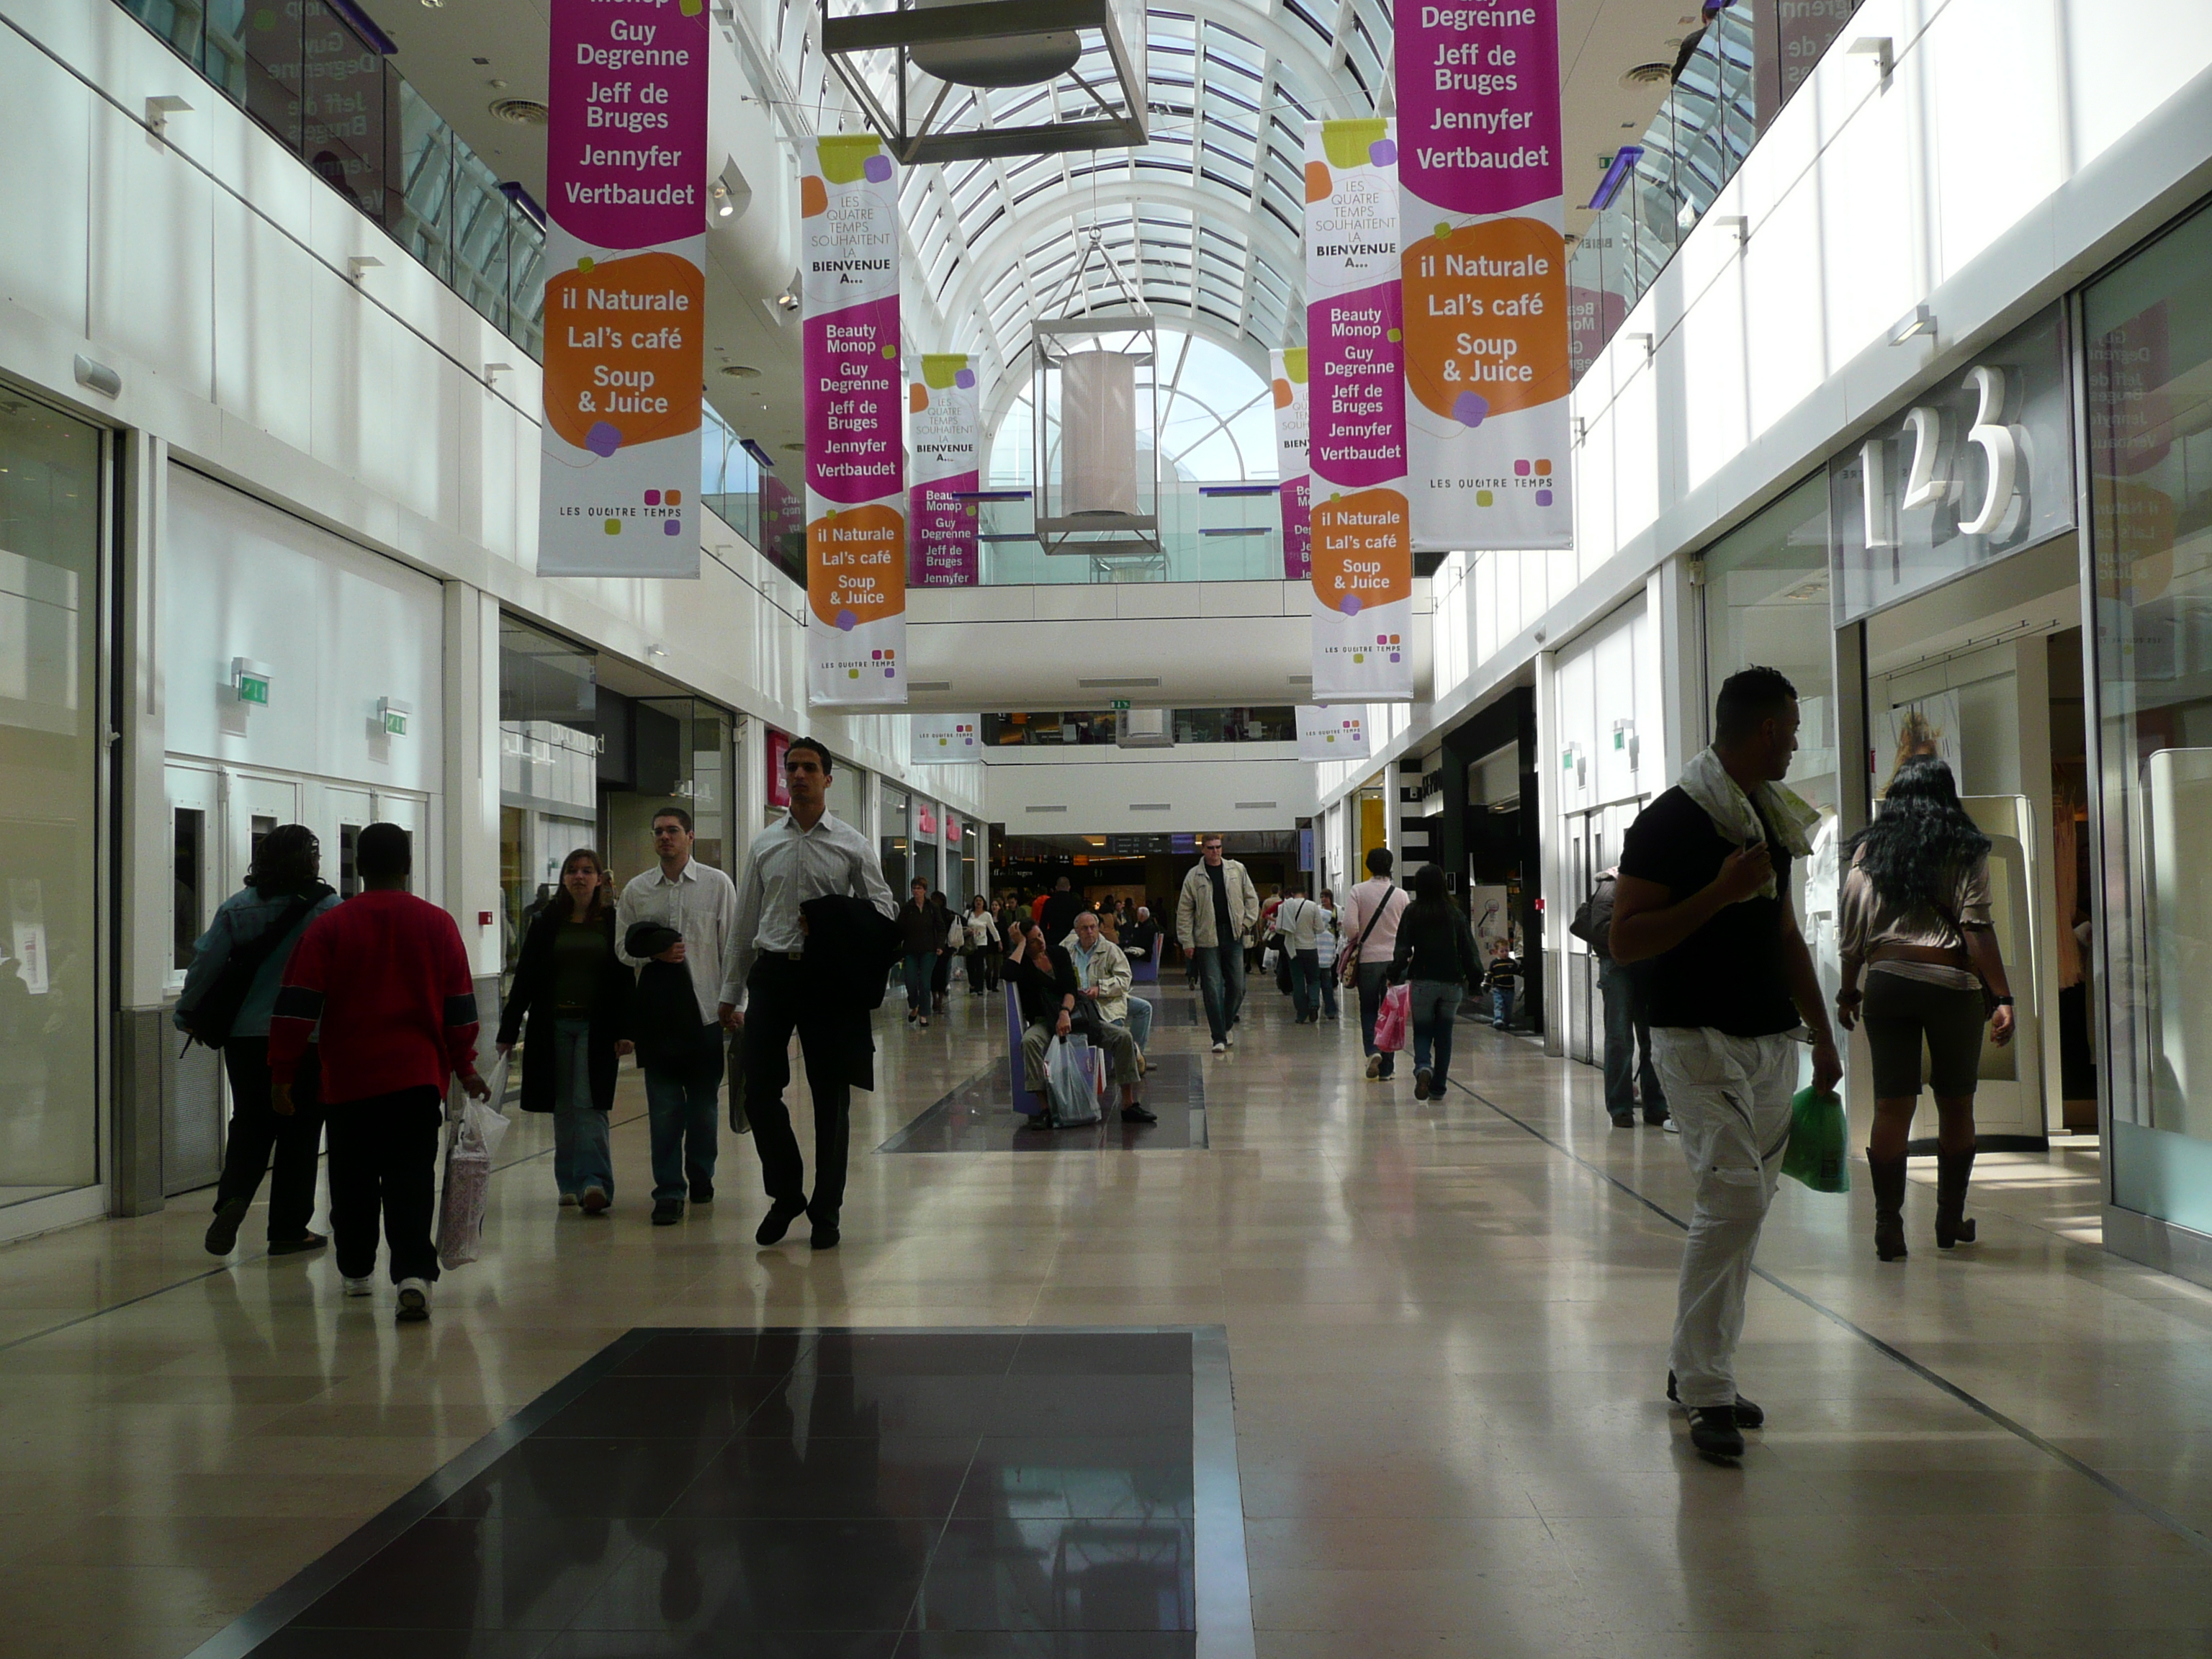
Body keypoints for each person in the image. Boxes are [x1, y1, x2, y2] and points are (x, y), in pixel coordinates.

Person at [1609, 665, 1843, 1462]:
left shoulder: (1770, 820)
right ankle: (1705, 1387)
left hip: (1772, 1040)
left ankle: (1699, 1365)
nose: (1798, 743)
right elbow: (1627, 938)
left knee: (1746, 1213)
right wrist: (1716, 892)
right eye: (1793, 728)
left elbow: (1783, 935)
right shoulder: (1669, 823)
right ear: (1767, 729)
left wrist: (1822, 1033)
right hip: (1690, 1036)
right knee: (1733, 1198)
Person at [268, 824, 488, 1323]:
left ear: (359, 868)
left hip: (349, 1081)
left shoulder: (329, 927)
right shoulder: (438, 924)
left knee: (352, 1179)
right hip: (416, 1081)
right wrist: (465, 1066)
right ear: (408, 864)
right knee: (412, 1177)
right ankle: (413, 1275)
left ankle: (356, 1269)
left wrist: (282, 1073)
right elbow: (459, 1006)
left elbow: (296, 1006)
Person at [720, 737, 897, 1250]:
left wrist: (831, 917)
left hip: (828, 980)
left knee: (830, 1099)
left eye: (809, 768)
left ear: (827, 778)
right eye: (791, 767)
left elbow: (883, 911)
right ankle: (786, 1191)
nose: (798, 775)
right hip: (773, 973)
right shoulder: (764, 844)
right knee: (758, 1091)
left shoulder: (851, 843)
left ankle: (827, 1209)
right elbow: (744, 922)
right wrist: (732, 990)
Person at [1836, 754, 2014, 1262]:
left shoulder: (1869, 851)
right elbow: (1976, 927)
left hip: (1887, 981)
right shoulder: (1965, 847)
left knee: (1892, 1105)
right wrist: (2002, 996)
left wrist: (1850, 990)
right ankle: (1948, 1218)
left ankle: (1888, 1226)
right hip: (1951, 985)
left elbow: (1852, 930)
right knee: (1956, 1102)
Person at [174, 824, 340, 1257]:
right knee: (301, 1132)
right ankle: (288, 1229)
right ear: (309, 861)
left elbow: (206, 964)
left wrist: (187, 1013)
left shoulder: (238, 908)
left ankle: (232, 1199)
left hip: (245, 1038)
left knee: (250, 1122)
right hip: (308, 1036)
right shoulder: (328, 909)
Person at [616, 805, 739, 1226]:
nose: (664, 838)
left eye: (672, 831)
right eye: (658, 832)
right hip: (659, 1019)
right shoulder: (637, 890)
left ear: (690, 836)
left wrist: (736, 1005)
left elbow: (733, 949)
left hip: (704, 1015)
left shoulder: (717, 885)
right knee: (665, 1109)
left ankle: (701, 1174)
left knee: (704, 1109)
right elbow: (620, 948)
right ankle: (668, 1190)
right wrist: (654, 951)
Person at [495, 848, 634, 1215]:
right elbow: (525, 978)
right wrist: (508, 1029)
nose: (579, 877)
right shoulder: (545, 922)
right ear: (563, 880)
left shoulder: (612, 921)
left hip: (597, 1026)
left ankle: (595, 1182)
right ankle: (569, 1184)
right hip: (553, 1025)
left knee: (589, 1103)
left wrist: (626, 1029)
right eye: (572, 871)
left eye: (588, 871)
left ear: (601, 879)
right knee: (563, 1106)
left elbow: (623, 981)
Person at [1006, 919, 1148, 1123]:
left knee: (1123, 1037)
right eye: (1033, 941)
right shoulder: (1023, 965)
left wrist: (1065, 1012)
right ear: (1024, 945)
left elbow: (1071, 988)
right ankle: (1044, 1108)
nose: (1041, 942)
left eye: (1040, 936)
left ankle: (1129, 1104)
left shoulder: (1058, 954)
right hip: (1044, 1021)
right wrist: (1019, 944)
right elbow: (1008, 973)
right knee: (1030, 1042)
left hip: (1074, 1015)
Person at [1573, 866, 1670, 1129]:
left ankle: (1656, 1105)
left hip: (1647, 964)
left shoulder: (1656, 886)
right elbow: (1602, 928)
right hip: (1617, 965)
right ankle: (1621, 1108)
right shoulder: (1611, 886)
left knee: (1653, 1038)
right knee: (1619, 1038)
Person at [1388, 865, 1482, 1101]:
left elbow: (1402, 950)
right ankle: (1439, 1087)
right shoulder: (1455, 913)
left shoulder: (1412, 912)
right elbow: (1469, 950)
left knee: (1422, 1030)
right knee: (1444, 1035)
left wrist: (1393, 973)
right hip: (1451, 982)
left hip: (1422, 979)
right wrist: (1475, 981)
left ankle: (1422, 1068)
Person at [1175, 835, 1262, 1054]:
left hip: (1233, 934)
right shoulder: (1194, 876)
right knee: (1212, 988)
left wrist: (1246, 923)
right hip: (1206, 938)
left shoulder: (1236, 870)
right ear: (1203, 850)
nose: (1216, 851)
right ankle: (1219, 1037)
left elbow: (1251, 898)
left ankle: (1226, 1024)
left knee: (1238, 986)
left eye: (1219, 847)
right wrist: (1187, 940)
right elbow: (1185, 911)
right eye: (1211, 848)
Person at [1340, 848, 1408, 1080]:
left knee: (1369, 1009)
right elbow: (1407, 931)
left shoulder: (1358, 891)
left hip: (1368, 960)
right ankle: (1387, 1069)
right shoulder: (1401, 895)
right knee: (1390, 1014)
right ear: (1390, 866)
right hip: (1394, 962)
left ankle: (1372, 1051)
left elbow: (1350, 927)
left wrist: (1360, 938)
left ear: (1368, 866)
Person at [1064, 908, 1154, 1071]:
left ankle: (1134, 1055)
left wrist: (1100, 989)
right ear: (1077, 931)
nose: (1090, 932)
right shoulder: (1067, 950)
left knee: (1144, 1009)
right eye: (1085, 928)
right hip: (1078, 1002)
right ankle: (1130, 1055)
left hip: (1106, 999)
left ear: (1098, 928)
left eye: (1093, 927)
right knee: (1113, 1028)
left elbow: (1124, 979)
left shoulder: (1110, 949)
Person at [1271, 880, 1326, 1024]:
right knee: (1314, 979)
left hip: (1293, 950)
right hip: (1310, 948)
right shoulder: (1312, 906)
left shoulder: (1285, 907)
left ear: (1292, 894)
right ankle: (1314, 1003)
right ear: (1305, 894)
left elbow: (1279, 928)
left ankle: (1301, 1014)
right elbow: (1320, 929)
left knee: (1298, 981)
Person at [896, 879, 944, 1028]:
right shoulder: (907, 908)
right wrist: (899, 950)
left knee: (924, 982)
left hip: (929, 950)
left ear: (924, 890)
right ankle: (914, 1005)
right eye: (914, 888)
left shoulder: (932, 908)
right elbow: (899, 930)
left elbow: (940, 927)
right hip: (911, 950)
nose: (916, 891)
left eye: (919, 888)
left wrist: (940, 945)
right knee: (910, 981)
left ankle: (924, 1014)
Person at [960, 894, 1000, 995]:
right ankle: (972, 984)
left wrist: (998, 941)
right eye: (977, 900)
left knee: (980, 965)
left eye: (980, 901)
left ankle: (979, 988)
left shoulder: (987, 915)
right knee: (970, 965)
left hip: (982, 942)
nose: (978, 903)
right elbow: (962, 925)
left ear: (983, 903)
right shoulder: (968, 913)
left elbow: (992, 929)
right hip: (970, 942)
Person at [1314, 889, 1341, 1020]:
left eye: (1326, 897)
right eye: (1322, 897)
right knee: (1327, 986)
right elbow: (1333, 954)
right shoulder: (1329, 937)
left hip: (1316, 962)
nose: (1323, 899)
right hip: (1327, 962)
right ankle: (1330, 1011)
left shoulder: (1314, 935)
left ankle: (1313, 1005)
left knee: (1313, 984)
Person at [1484, 940, 1522, 1030]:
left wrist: (1523, 973)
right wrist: (1487, 985)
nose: (1505, 953)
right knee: (1499, 1004)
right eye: (1502, 951)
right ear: (1496, 952)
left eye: (1507, 951)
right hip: (1498, 989)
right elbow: (1490, 975)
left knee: (1508, 1007)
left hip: (1510, 989)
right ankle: (1498, 1019)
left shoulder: (1511, 963)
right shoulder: (1494, 964)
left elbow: (1517, 970)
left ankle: (1506, 1021)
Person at [930, 890, 956, 1011]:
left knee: (936, 975)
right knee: (940, 976)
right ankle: (938, 1000)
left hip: (938, 948)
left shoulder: (933, 913)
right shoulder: (947, 914)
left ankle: (937, 1000)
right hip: (942, 948)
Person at [1039, 875, 1084, 943]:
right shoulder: (1076, 902)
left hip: (1053, 939)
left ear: (1056, 888)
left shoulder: (1049, 902)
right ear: (1069, 887)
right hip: (1072, 939)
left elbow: (1043, 924)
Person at [1123, 904, 1161, 970]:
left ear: (1141, 916)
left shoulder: (1147, 927)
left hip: (1145, 951)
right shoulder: (1148, 925)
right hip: (1144, 948)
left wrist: (1128, 944)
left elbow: (1141, 941)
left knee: (1125, 955)